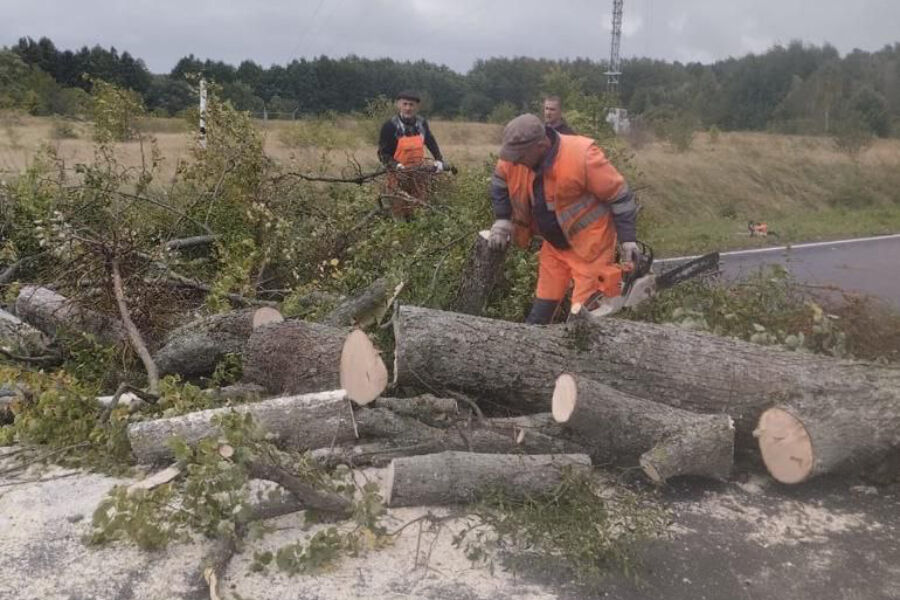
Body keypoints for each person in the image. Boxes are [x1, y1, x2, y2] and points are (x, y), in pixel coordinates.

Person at [488, 113, 639, 324]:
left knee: (582, 320)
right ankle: (534, 342)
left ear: (541, 146)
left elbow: (619, 195)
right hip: (554, 246)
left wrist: (627, 239)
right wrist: (502, 219)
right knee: (540, 312)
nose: (515, 161)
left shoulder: (582, 156)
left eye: (520, 156)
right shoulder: (515, 157)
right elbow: (499, 182)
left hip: (590, 249)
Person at [377, 90, 445, 218]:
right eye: (405, 104)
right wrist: (396, 165)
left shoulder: (422, 123)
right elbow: (382, 153)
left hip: (418, 174)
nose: (408, 108)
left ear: (417, 107)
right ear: (398, 104)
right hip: (397, 176)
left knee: (418, 209)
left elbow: (430, 141)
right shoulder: (389, 126)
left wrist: (439, 159)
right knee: (398, 210)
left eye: (411, 105)